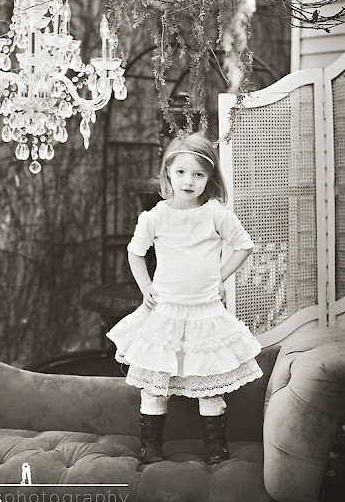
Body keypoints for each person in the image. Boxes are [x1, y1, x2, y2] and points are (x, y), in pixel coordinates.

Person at [106, 131, 263, 465]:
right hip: (165, 311)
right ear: (168, 172)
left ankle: (215, 444)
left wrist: (219, 276)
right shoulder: (155, 217)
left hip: (205, 311)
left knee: (208, 380)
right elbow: (135, 252)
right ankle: (150, 445)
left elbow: (244, 246)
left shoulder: (216, 214)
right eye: (181, 172)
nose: (189, 181)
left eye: (198, 174)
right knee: (155, 382)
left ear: (209, 177)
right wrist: (145, 287)